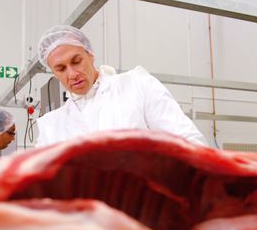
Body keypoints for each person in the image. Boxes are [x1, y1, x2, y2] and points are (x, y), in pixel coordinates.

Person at [35, 25, 208, 147]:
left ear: (90, 54)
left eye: (76, 61)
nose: (72, 74)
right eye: (61, 68)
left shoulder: (136, 85)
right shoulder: (51, 126)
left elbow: (189, 142)